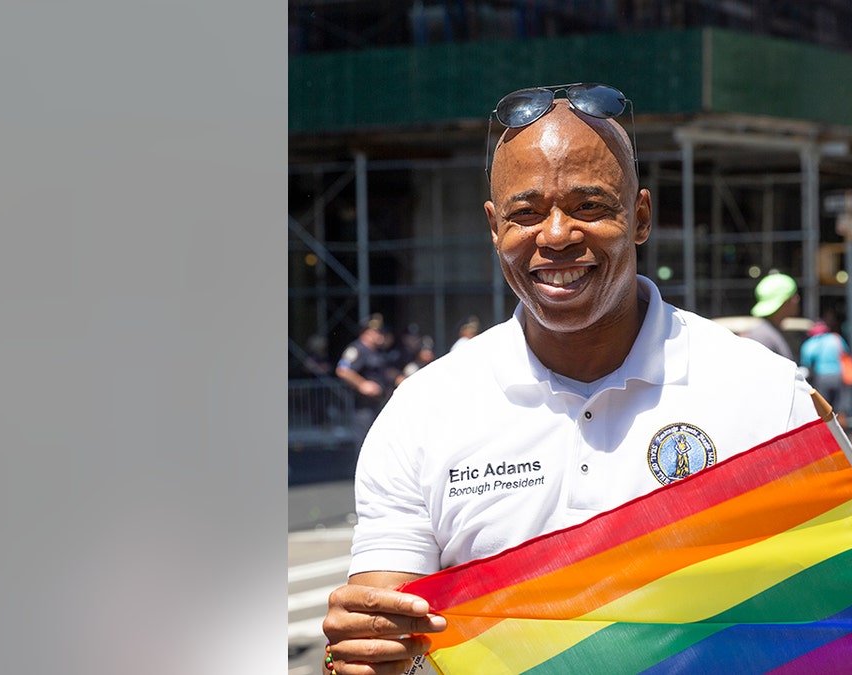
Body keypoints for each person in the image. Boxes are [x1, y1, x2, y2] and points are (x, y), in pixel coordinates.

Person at [322, 84, 820, 674]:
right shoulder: (421, 413)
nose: (555, 235)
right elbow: (389, 633)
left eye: (588, 206)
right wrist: (363, 653)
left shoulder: (766, 395)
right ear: (493, 228)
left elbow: (832, 623)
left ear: (639, 217)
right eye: (525, 213)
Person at [334, 314, 395, 444]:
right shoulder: (357, 349)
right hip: (364, 406)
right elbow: (343, 369)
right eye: (376, 332)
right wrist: (362, 384)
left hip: (379, 402)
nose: (380, 334)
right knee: (366, 441)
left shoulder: (378, 350)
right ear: (366, 333)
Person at [798, 320, 852, 427]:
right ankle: (843, 440)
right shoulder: (835, 338)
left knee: (823, 412)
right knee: (841, 410)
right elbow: (845, 353)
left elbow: (806, 363)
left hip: (821, 378)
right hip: (839, 376)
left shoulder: (808, 344)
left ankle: (828, 439)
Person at [740, 272, 800, 359]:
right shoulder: (763, 337)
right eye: (793, 296)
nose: (797, 299)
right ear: (784, 302)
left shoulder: (771, 331)